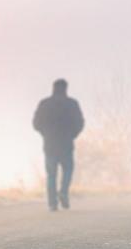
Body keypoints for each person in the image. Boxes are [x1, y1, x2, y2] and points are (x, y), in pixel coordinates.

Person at [33, 79, 84, 211]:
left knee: (51, 174)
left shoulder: (44, 104)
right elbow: (80, 122)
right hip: (66, 143)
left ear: (53, 88)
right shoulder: (72, 104)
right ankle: (63, 192)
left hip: (50, 144)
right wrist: (73, 134)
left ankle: (52, 203)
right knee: (68, 170)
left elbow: (36, 123)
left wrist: (45, 133)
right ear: (66, 88)